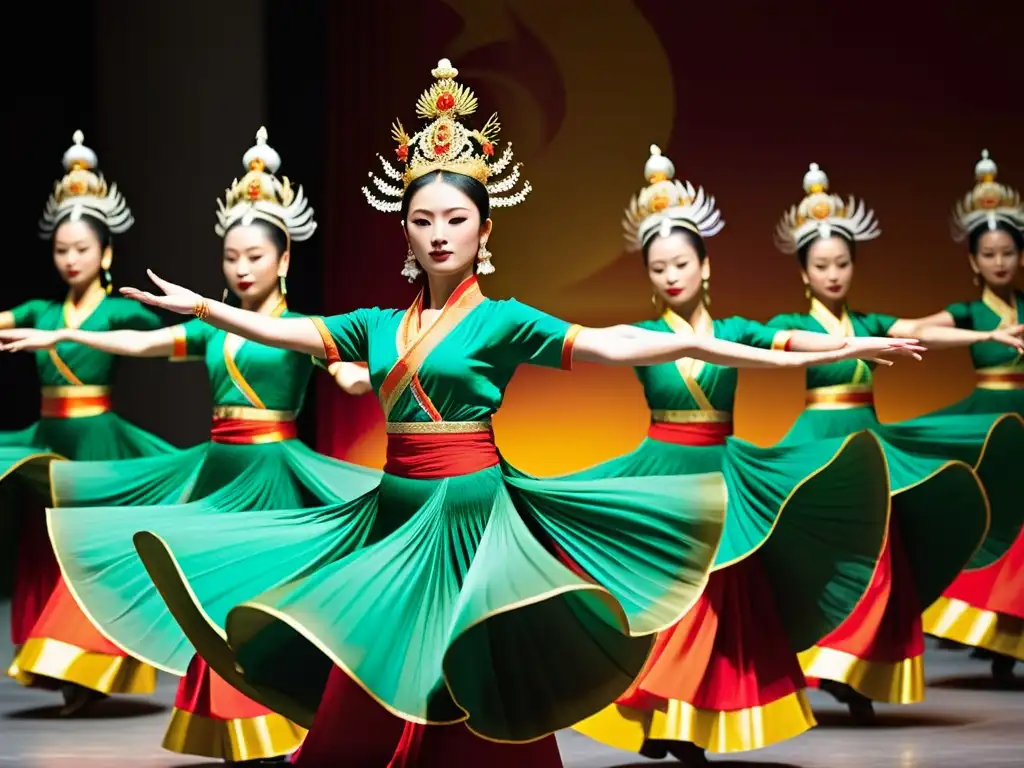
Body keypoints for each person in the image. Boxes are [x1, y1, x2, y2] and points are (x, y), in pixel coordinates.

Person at [104, 60, 920, 766]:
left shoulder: (506, 320)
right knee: (376, 654)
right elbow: (287, 330)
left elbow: (650, 348)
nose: (438, 233)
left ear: (484, 230)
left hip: (474, 511)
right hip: (395, 509)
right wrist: (206, 309)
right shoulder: (376, 327)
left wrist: (814, 354)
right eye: (422, 220)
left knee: (475, 662)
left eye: (456, 219)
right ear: (405, 231)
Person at [1, 127, 379, 764]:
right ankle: (239, 727)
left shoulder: (296, 329)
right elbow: (142, 344)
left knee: (268, 599)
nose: (241, 268)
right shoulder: (211, 331)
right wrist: (62, 340)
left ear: (284, 260)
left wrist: (374, 374)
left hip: (273, 478)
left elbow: (343, 372)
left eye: (255, 257)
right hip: (219, 473)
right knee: (213, 602)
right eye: (232, 257)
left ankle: (287, 717)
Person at [568, 145, 894, 766]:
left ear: (705, 265)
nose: (670, 275)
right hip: (660, 475)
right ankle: (658, 712)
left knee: (718, 595)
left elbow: (797, 342)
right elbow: (574, 345)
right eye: (658, 266)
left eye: (681, 263)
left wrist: (863, 343)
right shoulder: (642, 336)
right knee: (667, 594)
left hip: (720, 476)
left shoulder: (737, 331)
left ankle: (684, 718)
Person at [767, 161, 1024, 721]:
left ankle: (854, 669)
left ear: (853, 267)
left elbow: (922, 331)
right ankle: (819, 655)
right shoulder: (796, 323)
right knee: (822, 550)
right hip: (819, 440)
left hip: (868, 439)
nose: (833, 274)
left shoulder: (870, 321)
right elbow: (785, 345)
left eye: (841, 263)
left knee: (882, 551)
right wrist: (843, 347)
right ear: (804, 273)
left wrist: (986, 334)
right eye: (821, 266)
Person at [0, 131, 170, 715]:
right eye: (61, 249)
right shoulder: (38, 313)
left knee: (92, 552)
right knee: (47, 550)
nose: (70, 258)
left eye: (81, 248)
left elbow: (161, 335)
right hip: (46, 445)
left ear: (106, 251)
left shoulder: (117, 308)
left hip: (97, 443)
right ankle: (61, 659)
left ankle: (92, 660)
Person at [909, 150, 1024, 686]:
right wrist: (980, 336)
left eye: (1007, 253)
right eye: (989, 254)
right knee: (992, 521)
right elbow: (919, 329)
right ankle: (986, 630)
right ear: (974, 262)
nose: (1000, 262)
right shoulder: (971, 311)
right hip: (988, 421)